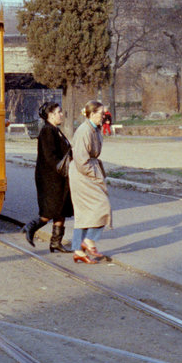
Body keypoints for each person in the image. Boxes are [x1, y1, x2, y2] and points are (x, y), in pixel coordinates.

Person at [21, 101, 74, 253]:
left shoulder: (55, 130)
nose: (61, 114)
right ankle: (31, 227)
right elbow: (49, 156)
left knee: (62, 210)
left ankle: (55, 243)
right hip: (50, 179)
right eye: (58, 112)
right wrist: (61, 167)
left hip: (59, 178)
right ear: (50, 115)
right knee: (50, 211)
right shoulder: (47, 131)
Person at [69, 100, 112, 264]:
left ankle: (78, 250)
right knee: (102, 206)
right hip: (83, 174)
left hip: (86, 172)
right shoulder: (84, 131)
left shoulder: (93, 129)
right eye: (101, 114)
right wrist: (95, 176)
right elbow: (81, 160)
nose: (103, 117)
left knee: (84, 213)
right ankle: (89, 241)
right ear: (92, 114)